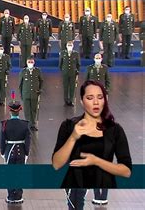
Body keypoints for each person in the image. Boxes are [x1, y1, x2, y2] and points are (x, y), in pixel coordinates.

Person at [52, 81, 132, 210]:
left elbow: (126, 171)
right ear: (82, 101)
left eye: (100, 97)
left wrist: (96, 161)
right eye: (90, 98)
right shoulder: (68, 126)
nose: (95, 102)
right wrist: (73, 137)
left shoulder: (115, 130)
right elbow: (56, 163)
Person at [0, 96, 31, 204]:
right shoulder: (25, 124)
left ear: (10, 111)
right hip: (21, 151)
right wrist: (26, 153)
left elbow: (2, 139)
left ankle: (10, 196)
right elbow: (28, 140)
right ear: (19, 111)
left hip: (9, 151)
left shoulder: (5, 124)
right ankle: (18, 196)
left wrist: (3, 152)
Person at [19, 56, 43, 131]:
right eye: (29, 62)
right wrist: (21, 94)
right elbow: (20, 84)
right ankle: (29, 124)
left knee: (33, 109)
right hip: (26, 93)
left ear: (34, 62)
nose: (30, 63)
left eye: (31, 62)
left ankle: (33, 124)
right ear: (26, 63)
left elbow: (41, 81)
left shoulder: (37, 71)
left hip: (34, 93)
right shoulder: (23, 71)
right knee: (27, 110)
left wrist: (40, 89)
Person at [59, 41, 80, 106]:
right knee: (65, 87)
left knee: (72, 87)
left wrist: (77, 71)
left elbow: (78, 64)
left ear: (73, 46)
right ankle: (66, 101)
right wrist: (62, 70)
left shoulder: (76, 54)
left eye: (71, 45)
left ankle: (71, 101)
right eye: (68, 45)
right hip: (65, 72)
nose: (69, 47)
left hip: (73, 73)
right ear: (66, 46)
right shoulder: (63, 53)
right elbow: (60, 63)